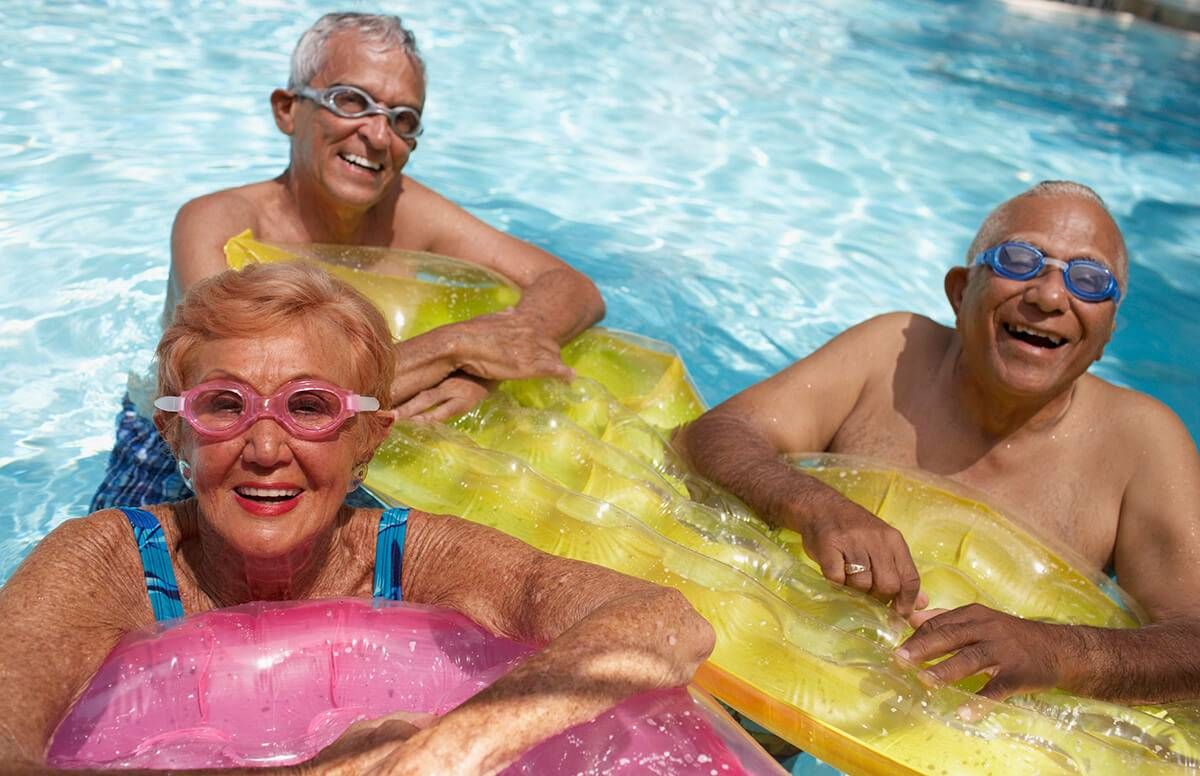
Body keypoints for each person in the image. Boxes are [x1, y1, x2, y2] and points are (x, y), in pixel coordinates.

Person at [0, 263, 711, 773]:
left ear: (369, 439)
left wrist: (448, 750)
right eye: (224, 406)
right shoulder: (109, 563)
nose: (267, 448)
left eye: (310, 408)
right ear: (173, 434)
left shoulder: (411, 558)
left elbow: (665, 621)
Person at [675, 180, 1200, 704]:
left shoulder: (1140, 442)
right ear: (958, 291)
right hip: (790, 675)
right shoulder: (891, 354)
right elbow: (719, 431)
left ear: (1107, 331)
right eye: (1019, 260)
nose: (1048, 296)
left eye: (1089, 280)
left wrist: (1055, 650)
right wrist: (812, 503)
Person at [90, 11, 604, 510]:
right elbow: (262, 397)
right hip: (192, 448)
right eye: (350, 100)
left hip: (353, 453)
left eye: (403, 119)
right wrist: (457, 345)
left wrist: (493, 361)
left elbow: (573, 287)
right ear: (288, 110)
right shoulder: (215, 223)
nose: (378, 136)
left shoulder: (411, 212)